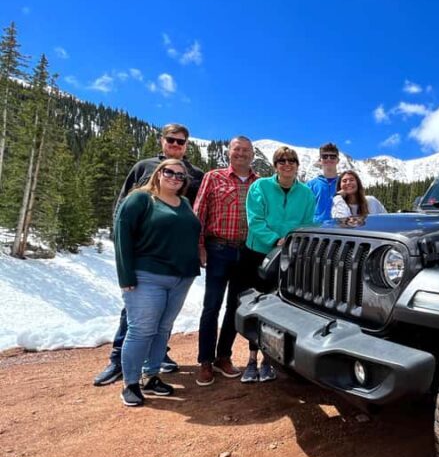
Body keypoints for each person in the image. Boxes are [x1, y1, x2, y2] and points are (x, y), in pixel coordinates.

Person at [93, 123, 205, 386]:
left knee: (164, 318)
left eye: (181, 141)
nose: (176, 145)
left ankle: (156, 360)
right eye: (171, 140)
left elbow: (196, 213)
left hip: (178, 265)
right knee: (135, 316)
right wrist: (126, 256)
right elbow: (123, 209)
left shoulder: (196, 175)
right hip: (147, 261)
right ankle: (117, 359)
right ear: (162, 141)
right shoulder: (143, 168)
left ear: (187, 145)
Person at [114, 159, 201, 407]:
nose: (175, 177)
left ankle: (151, 376)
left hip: (181, 277)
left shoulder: (183, 202)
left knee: (163, 328)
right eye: (169, 172)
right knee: (142, 330)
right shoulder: (140, 199)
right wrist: (125, 275)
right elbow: (122, 234)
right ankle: (130, 383)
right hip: (147, 275)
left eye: (181, 176)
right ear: (158, 173)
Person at [241, 146, 315, 383]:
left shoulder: (306, 194)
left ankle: (267, 361)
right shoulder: (259, 187)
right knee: (256, 307)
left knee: (279, 309)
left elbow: (307, 224)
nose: (287, 164)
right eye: (281, 160)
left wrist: (291, 243)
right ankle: (251, 361)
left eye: (291, 160)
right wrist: (276, 240)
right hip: (259, 255)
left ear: (297, 165)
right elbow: (255, 221)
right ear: (275, 165)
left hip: (289, 258)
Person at [193, 136, 258, 386]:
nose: (241, 154)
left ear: (252, 155)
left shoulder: (259, 183)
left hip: (246, 252)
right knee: (212, 305)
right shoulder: (214, 177)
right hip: (218, 248)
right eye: (237, 149)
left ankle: (223, 357)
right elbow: (199, 212)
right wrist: (199, 246)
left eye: (246, 150)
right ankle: (205, 361)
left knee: (235, 307)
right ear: (229, 152)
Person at [306, 142, 341, 223]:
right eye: (325, 156)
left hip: (340, 229)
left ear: (338, 160)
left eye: (332, 157)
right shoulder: (310, 185)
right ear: (320, 160)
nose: (328, 159)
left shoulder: (344, 184)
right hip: (317, 230)